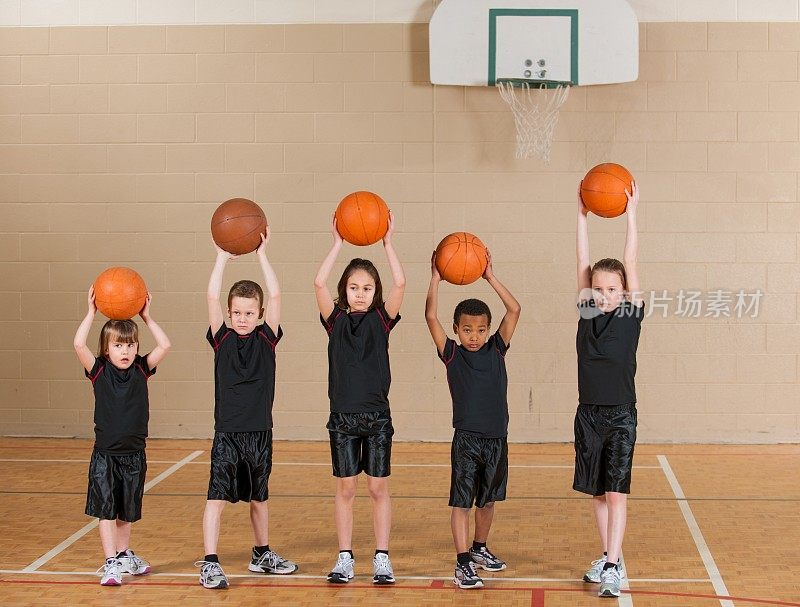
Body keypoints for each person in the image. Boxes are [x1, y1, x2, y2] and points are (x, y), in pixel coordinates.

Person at [195, 230, 297, 590]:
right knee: (216, 498)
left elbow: (277, 293)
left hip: (260, 433)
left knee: (259, 497)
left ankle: (262, 553)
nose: (242, 318)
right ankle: (209, 561)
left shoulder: (267, 338)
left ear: (260, 314)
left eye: (249, 312)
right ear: (228, 313)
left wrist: (263, 255)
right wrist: (222, 258)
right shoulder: (221, 338)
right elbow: (210, 294)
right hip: (228, 433)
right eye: (236, 312)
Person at [314, 212, 405, 585]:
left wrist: (387, 242)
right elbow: (318, 281)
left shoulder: (382, 319)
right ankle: (345, 558)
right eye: (354, 287)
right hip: (343, 418)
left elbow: (400, 281)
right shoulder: (334, 321)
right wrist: (337, 242)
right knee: (347, 487)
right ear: (345, 290)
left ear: (375, 292)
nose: (361, 293)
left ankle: (382, 558)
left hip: (377, 416)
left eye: (367, 287)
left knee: (377, 487)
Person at [425, 249, 521, 589]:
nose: (475, 336)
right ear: (457, 330)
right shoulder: (451, 354)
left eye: (480, 329)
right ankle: (462, 562)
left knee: (488, 499)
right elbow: (431, 318)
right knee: (462, 501)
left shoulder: (497, 348)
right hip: (467, 440)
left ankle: (479, 548)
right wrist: (436, 278)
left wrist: (490, 276)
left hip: (497, 438)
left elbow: (515, 309)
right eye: (467, 330)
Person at [73, 287, 171, 586]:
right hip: (106, 454)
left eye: (130, 345)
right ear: (106, 350)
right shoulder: (99, 370)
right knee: (106, 510)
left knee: (127, 511)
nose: (126, 351)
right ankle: (110, 561)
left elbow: (165, 345)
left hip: (134, 453)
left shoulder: (142, 368)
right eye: (118, 346)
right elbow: (78, 344)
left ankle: (124, 552)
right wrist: (90, 314)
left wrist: (147, 317)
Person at [574, 181, 642, 598]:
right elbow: (582, 259)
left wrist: (631, 215)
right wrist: (581, 215)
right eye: (598, 288)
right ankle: (608, 554)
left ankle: (615, 565)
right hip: (588, 414)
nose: (604, 295)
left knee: (616, 494)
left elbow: (630, 258)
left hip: (620, 414)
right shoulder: (585, 312)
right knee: (598, 494)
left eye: (612, 289)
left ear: (623, 291)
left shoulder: (632, 314)